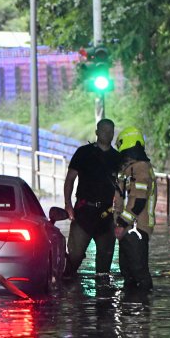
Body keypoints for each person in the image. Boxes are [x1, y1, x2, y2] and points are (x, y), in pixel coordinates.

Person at [63, 118, 121, 280]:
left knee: (104, 264)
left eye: (111, 131)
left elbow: (121, 188)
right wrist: (68, 205)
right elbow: (70, 180)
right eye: (104, 130)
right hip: (84, 212)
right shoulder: (84, 153)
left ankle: (103, 300)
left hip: (106, 214)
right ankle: (69, 293)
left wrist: (118, 215)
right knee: (74, 257)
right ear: (97, 132)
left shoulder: (117, 158)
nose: (108, 134)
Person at [113, 126, 157, 291]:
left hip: (135, 228)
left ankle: (143, 310)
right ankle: (131, 310)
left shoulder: (140, 168)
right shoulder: (130, 168)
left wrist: (122, 223)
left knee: (138, 273)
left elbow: (138, 199)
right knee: (129, 274)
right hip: (129, 228)